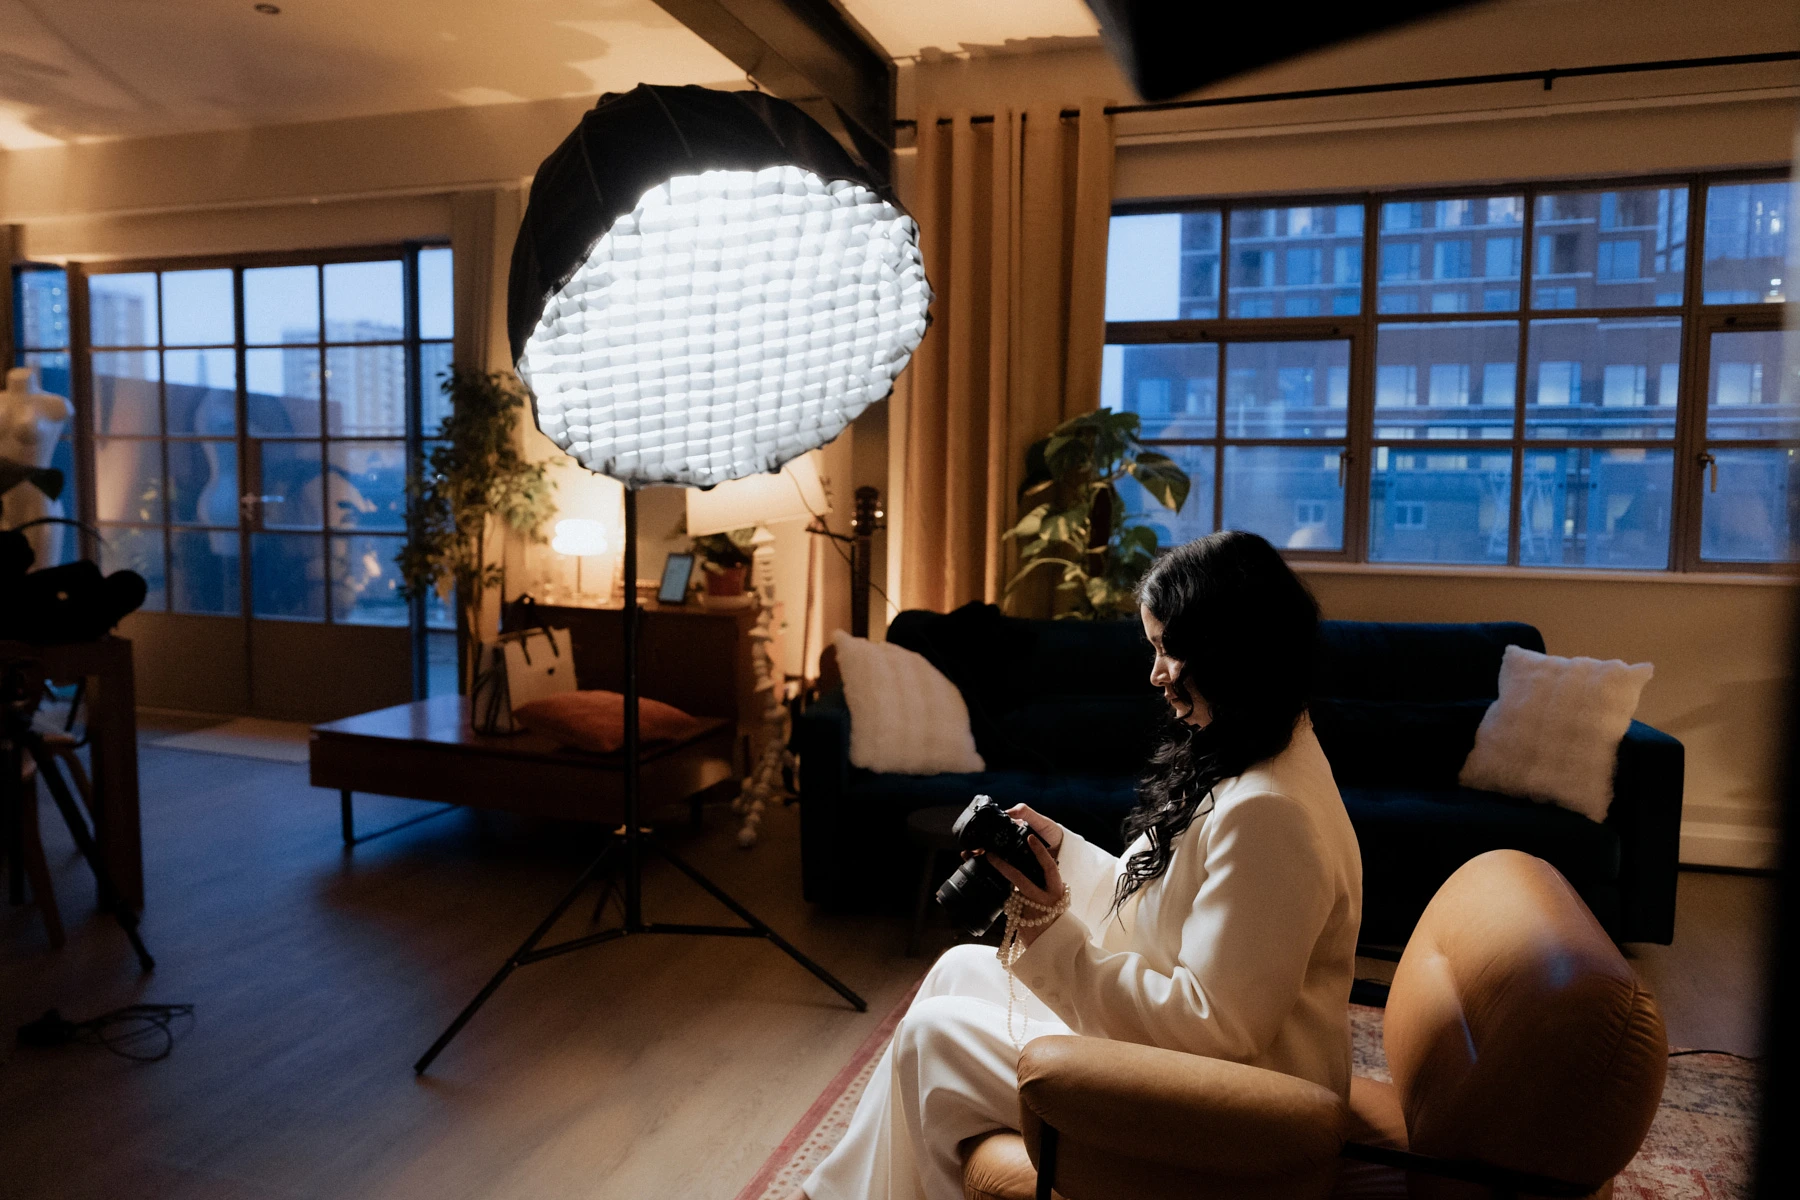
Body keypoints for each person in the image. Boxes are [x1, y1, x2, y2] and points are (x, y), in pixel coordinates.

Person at [804, 530, 1362, 1200]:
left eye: (1167, 650)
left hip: (1244, 1114)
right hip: (1207, 1064)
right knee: (959, 970)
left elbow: (1216, 1032)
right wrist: (1057, 852)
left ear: (1227, 655)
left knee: (933, 1039)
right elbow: (1167, 903)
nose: (1155, 674)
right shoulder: (1249, 747)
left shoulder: (1270, 813)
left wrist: (1051, 937)